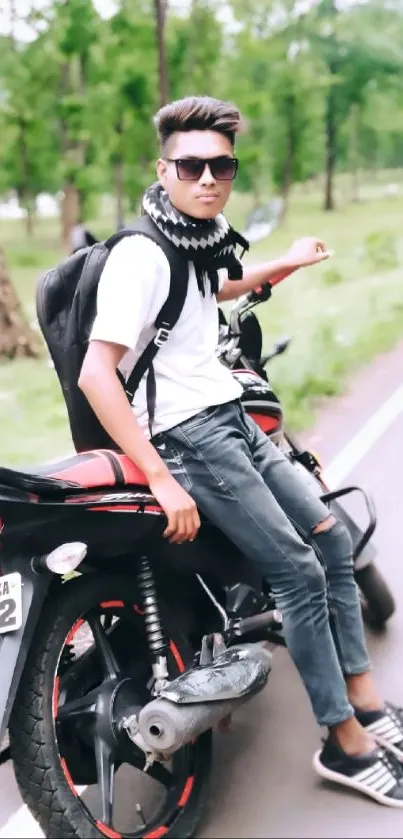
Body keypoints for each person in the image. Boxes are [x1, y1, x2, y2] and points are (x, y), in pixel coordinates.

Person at [78, 95, 403, 806]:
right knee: (295, 570)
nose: (207, 178)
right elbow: (96, 373)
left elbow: (214, 290)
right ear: (163, 169)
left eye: (220, 165)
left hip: (229, 412)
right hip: (190, 436)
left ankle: (368, 704)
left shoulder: (195, 241)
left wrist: (279, 266)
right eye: (191, 165)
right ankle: (343, 742)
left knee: (326, 536)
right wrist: (163, 479)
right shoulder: (141, 252)